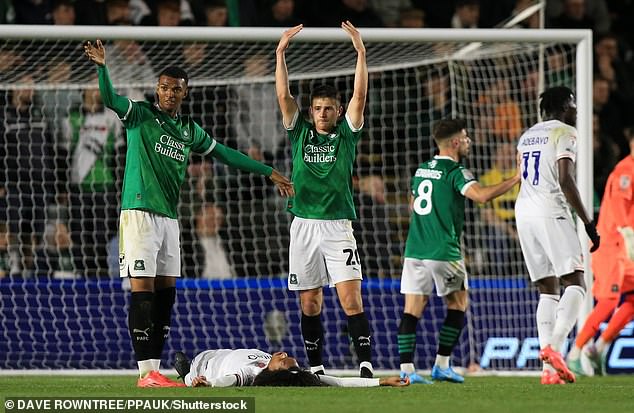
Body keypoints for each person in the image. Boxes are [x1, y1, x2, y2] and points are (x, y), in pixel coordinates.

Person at [83, 39, 293, 388]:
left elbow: (224, 153)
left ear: (184, 92)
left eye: (174, 89)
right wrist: (103, 67)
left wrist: (267, 170)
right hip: (139, 213)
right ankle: (145, 372)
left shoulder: (188, 130)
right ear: (157, 90)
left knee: (167, 291)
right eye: (163, 88)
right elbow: (110, 99)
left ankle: (155, 369)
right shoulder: (141, 114)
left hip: (168, 218)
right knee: (143, 289)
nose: (168, 93)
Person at [275, 22, 373, 377]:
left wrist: (360, 53)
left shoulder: (346, 135)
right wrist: (280, 53)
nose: (322, 113)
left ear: (337, 110)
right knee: (310, 302)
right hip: (303, 226)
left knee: (351, 299)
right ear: (311, 111)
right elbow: (284, 96)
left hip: (337, 227)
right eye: (317, 108)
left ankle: (364, 364)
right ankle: (315, 368)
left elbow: (359, 97)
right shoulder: (299, 132)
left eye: (329, 108)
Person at [396, 118, 520, 385]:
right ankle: (442, 364)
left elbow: (413, 202)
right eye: (465, 137)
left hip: (415, 249)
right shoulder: (457, 172)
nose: (468, 141)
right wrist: (516, 178)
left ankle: (407, 370)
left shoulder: (421, 170)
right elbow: (482, 196)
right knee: (458, 303)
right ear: (454, 143)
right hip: (444, 251)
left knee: (412, 310)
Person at [514, 86, 600, 385]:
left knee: (547, 289)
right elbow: (565, 178)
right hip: (551, 210)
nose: (576, 109)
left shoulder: (527, 135)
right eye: (574, 104)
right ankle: (555, 347)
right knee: (576, 281)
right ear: (566, 105)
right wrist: (588, 222)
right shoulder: (565, 132)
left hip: (523, 211)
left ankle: (548, 371)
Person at [567, 127, 634, 376]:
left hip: (626, 249)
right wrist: (629, 235)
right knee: (609, 300)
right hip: (612, 246)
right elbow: (619, 209)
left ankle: (600, 347)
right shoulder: (625, 171)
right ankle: (575, 353)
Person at [172, 349, 408, 387]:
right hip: (222, 351)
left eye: (283, 361)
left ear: (275, 372)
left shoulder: (251, 375)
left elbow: (230, 380)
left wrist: (209, 382)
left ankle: (184, 375)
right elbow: (338, 382)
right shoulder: (289, 372)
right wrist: (381, 381)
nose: (282, 354)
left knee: (188, 371)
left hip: (203, 363)